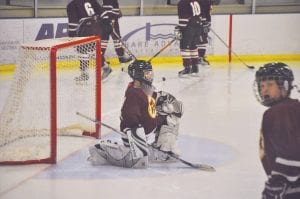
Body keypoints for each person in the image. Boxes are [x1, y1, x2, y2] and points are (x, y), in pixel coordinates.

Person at [87, 60, 184, 168]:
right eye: (147, 74)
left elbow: (154, 97)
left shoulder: (143, 88)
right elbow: (130, 117)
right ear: (138, 75)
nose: (150, 76)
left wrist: (166, 99)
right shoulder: (133, 93)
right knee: (138, 162)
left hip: (145, 129)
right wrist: (138, 138)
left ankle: (165, 150)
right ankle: (103, 151)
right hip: (134, 134)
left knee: (171, 117)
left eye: (150, 73)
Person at [254, 62, 300, 198]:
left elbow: (291, 154)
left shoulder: (277, 113)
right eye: (261, 86)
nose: (264, 90)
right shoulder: (293, 107)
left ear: (284, 86)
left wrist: (274, 188)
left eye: (270, 84)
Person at [67, 0, 113, 81]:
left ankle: (84, 74)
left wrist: (72, 35)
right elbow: (103, 13)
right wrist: (106, 22)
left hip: (87, 29)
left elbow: (73, 24)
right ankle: (104, 66)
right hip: (99, 27)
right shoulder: (92, 0)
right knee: (94, 51)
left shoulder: (72, 4)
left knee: (83, 50)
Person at [176, 0, 202, 77]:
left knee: (184, 46)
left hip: (189, 26)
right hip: (198, 26)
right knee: (193, 46)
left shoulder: (182, 2)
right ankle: (195, 67)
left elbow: (183, 18)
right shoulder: (195, 1)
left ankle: (187, 68)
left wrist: (181, 29)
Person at [101, 0, 133, 64]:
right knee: (111, 39)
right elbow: (108, 8)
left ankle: (101, 59)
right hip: (110, 20)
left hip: (109, 20)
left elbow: (113, 7)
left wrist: (117, 12)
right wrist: (112, 20)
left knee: (107, 39)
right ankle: (121, 56)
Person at [197, 0, 212, 66]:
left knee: (203, 40)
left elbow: (208, 13)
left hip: (204, 23)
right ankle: (199, 58)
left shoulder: (207, 1)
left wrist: (208, 23)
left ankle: (201, 57)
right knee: (199, 41)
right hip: (197, 23)